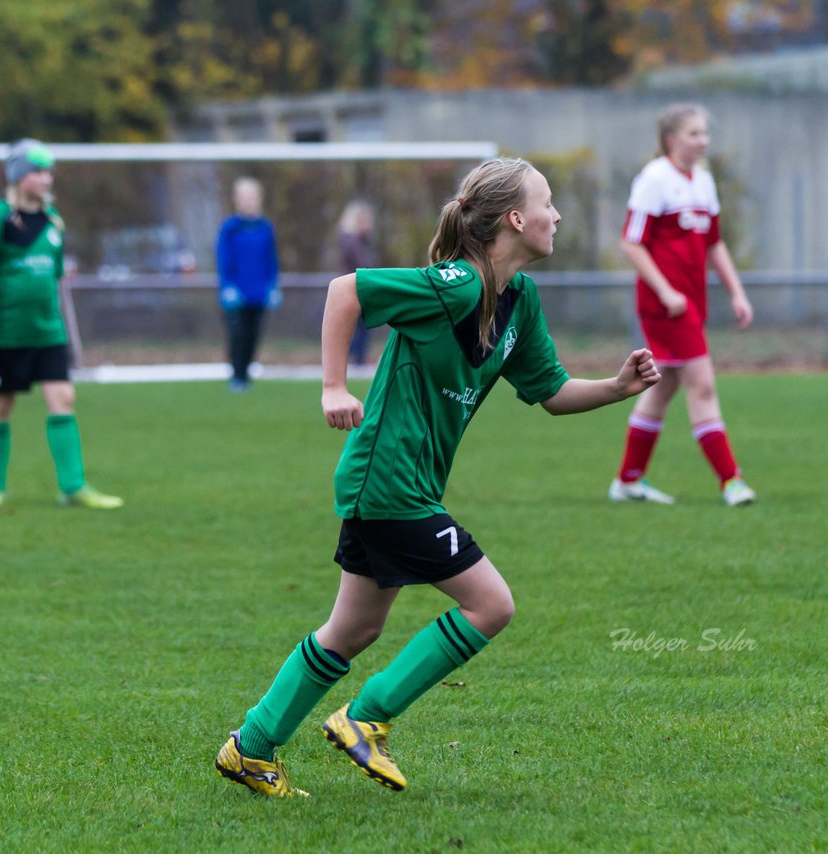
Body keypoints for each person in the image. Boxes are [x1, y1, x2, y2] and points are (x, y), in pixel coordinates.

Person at [215, 158, 661, 797]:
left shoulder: (520, 301)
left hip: (402, 487)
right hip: (388, 483)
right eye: (547, 202)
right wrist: (333, 386)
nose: (556, 214)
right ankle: (366, 717)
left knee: (354, 629)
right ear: (514, 219)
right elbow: (347, 292)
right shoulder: (454, 286)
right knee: (491, 604)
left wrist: (618, 387)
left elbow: (552, 391)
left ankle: (249, 748)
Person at [610, 103, 757, 507]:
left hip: (690, 301)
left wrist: (736, 291)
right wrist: (666, 292)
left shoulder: (704, 182)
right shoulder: (654, 179)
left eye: (705, 134)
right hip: (668, 306)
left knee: (665, 384)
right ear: (672, 139)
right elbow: (631, 242)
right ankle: (732, 481)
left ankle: (627, 480)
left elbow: (714, 244)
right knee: (702, 384)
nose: (702, 141)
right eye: (693, 133)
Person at [0, 138, 122, 510]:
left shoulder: (54, 223)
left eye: (48, 170)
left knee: (64, 398)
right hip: (8, 335)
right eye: (37, 171)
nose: (46, 178)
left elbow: (57, 285)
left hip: (47, 332)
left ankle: (73, 486)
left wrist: (71, 340)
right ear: (18, 177)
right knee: (0, 405)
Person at [215, 177, 280, 391]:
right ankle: (237, 376)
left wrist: (273, 285)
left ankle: (247, 374)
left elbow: (271, 260)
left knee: (253, 335)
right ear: (236, 200)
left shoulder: (265, 228)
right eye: (244, 197)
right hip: (237, 294)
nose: (249, 201)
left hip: (259, 293)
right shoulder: (230, 228)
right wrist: (228, 287)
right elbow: (224, 260)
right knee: (238, 335)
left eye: (252, 197)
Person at [337, 199, 378, 367]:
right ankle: (355, 358)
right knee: (358, 328)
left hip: (362, 287)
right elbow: (360, 264)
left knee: (362, 328)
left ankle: (358, 359)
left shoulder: (362, 240)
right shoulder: (351, 241)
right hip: (356, 288)